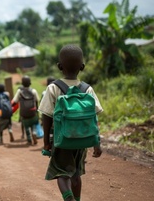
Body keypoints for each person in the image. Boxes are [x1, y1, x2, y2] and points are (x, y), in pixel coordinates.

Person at [38, 45, 103, 201]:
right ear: (82, 67)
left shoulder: (53, 88)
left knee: (61, 173)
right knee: (75, 175)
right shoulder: (87, 89)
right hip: (83, 140)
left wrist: (46, 141)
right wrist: (97, 142)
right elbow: (93, 118)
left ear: (60, 66)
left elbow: (46, 117)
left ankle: (69, 198)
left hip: (61, 140)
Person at [12, 76, 40, 145]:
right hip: (33, 112)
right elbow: (37, 100)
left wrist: (12, 107)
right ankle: (34, 133)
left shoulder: (19, 91)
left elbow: (15, 101)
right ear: (30, 83)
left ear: (22, 83)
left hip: (24, 114)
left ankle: (29, 139)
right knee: (34, 125)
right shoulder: (33, 91)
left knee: (26, 127)